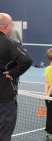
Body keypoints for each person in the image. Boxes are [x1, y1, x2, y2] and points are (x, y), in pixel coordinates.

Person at [0, 13, 32, 141]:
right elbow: (27, 59)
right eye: (12, 25)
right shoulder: (8, 43)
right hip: (5, 98)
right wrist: (13, 73)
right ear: (7, 26)